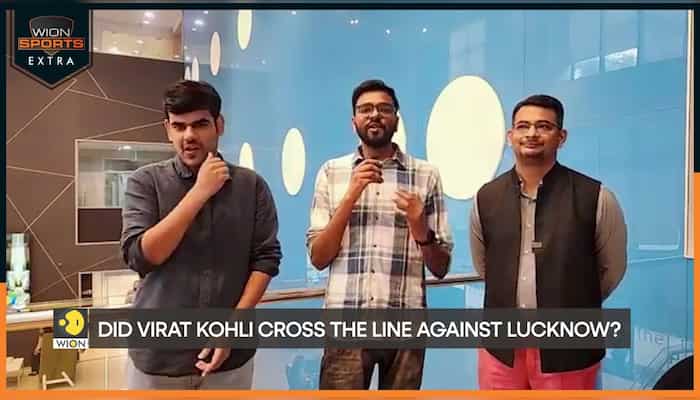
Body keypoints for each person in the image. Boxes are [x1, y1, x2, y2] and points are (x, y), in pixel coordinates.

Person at [120, 80, 282, 390]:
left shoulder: (251, 186)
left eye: (200, 124)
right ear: (167, 129)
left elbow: (266, 258)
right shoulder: (145, 182)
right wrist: (199, 192)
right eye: (179, 126)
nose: (189, 136)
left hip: (231, 358)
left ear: (219, 125)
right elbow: (141, 257)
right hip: (158, 358)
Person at [469, 94, 627, 389]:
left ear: (561, 137)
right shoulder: (486, 197)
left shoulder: (595, 197)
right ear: (510, 136)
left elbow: (612, 269)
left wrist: (573, 301)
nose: (531, 133)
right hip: (501, 350)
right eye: (523, 126)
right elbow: (485, 266)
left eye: (543, 126)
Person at [306, 79, 453, 389]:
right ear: (354, 121)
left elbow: (440, 267)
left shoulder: (426, 175)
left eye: (384, 109)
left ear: (396, 120)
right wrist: (351, 195)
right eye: (366, 109)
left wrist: (419, 226)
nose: (375, 115)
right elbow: (318, 258)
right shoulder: (331, 172)